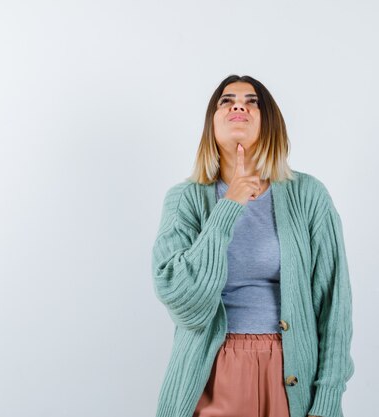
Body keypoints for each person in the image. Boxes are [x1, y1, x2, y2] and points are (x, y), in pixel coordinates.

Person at [151, 75, 354, 417]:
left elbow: (335, 305)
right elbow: (180, 296)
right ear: (211, 124)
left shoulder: (309, 196)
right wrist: (228, 207)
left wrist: (328, 399)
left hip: (289, 373)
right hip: (211, 373)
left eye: (252, 101)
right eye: (226, 100)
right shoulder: (184, 200)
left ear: (269, 121)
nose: (238, 105)